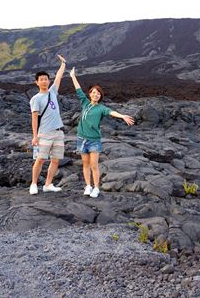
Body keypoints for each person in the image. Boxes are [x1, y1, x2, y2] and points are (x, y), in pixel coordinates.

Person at [69, 67, 135, 198]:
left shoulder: (101, 108)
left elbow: (111, 112)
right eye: (93, 92)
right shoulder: (85, 103)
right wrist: (72, 76)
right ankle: (88, 186)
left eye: (98, 93)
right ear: (90, 94)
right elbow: (78, 89)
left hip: (94, 140)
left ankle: (96, 188)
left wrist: (122, 116)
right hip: (81, 139)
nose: (95, 94)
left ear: (100, 96)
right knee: (85, 164)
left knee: (94, 165)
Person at [28, 54, 67, 195]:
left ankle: (48, 184)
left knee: (55, 160)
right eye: (41, 80)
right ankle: (33, 184)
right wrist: (34, 136)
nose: (44, 81)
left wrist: (63, 64)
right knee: (40, 160)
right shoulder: (35, 99)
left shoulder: (53, 92)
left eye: (46, 79)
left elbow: (59, 78)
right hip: (44, 133)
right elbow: (34, 119)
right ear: (37, 82)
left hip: (58, 132)